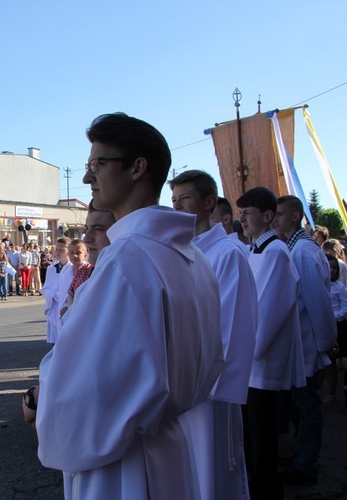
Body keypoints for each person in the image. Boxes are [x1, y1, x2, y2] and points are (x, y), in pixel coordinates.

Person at [27, 113, 222, 498]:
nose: (87, 178)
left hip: (125, 464)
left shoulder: (128, 258)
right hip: (172, 447)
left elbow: (92, 382)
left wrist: (38, 397)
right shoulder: (193, 257)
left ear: (137, 167)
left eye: (98, 164)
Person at [170, 170, 259, 499]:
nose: (177, 208)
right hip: (182, 384)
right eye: (173, 201)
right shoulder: (185, 250)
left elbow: (231, 324)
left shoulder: (227, 254)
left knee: (212, 473)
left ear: (209, 203)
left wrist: (206, 383)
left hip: (209, 388)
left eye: (185, 200)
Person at [235, 187, 304, 499]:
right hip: (246, 361)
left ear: (267, 216)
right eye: (241, 214)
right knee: (249, 440)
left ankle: (267, 494)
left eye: (247, 214)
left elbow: (271, 312)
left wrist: (248, 352)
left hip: (259, 364)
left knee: (262, 443)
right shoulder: (251, 250)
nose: (242, 220)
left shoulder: (276, 253)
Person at [273, 195, 337, 486]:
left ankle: (306, 465)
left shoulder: (302, 251)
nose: (276, 219)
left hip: (308, 343)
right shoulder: (295, 246)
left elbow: (318, 301)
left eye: (281, 213)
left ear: (296, 214)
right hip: (299, 342)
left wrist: (325, 343)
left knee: (308, 406)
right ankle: (302, 455)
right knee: (301, 405)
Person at [321, 254, 347, 406]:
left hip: (334, 325)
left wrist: (332, 317)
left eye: (335, 268)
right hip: (320, 324)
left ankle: (331, 393)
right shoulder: (318, 284)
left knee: (331, 360)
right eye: (329, 267)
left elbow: (346, 308)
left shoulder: (339, 287)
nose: (332, 271)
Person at [40, 237, 73, 344]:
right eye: (56, 249)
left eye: (61, 250)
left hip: (65, 306)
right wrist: (49, 294)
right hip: (53, 306)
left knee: (66, 339)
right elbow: (46, 287)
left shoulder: (72, 268)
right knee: (55, 341)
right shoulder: (51, 268)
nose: (57, 252)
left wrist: (59, 295)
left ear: (69, 251)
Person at [60, 238, 92, 317]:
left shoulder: (89, 270)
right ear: (68, 254)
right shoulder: (65, 271)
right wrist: (64, 306)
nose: (74, 255)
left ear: (85, 255)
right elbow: (65, 293)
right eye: (71, 253)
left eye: (78, 253)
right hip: (68, 310)